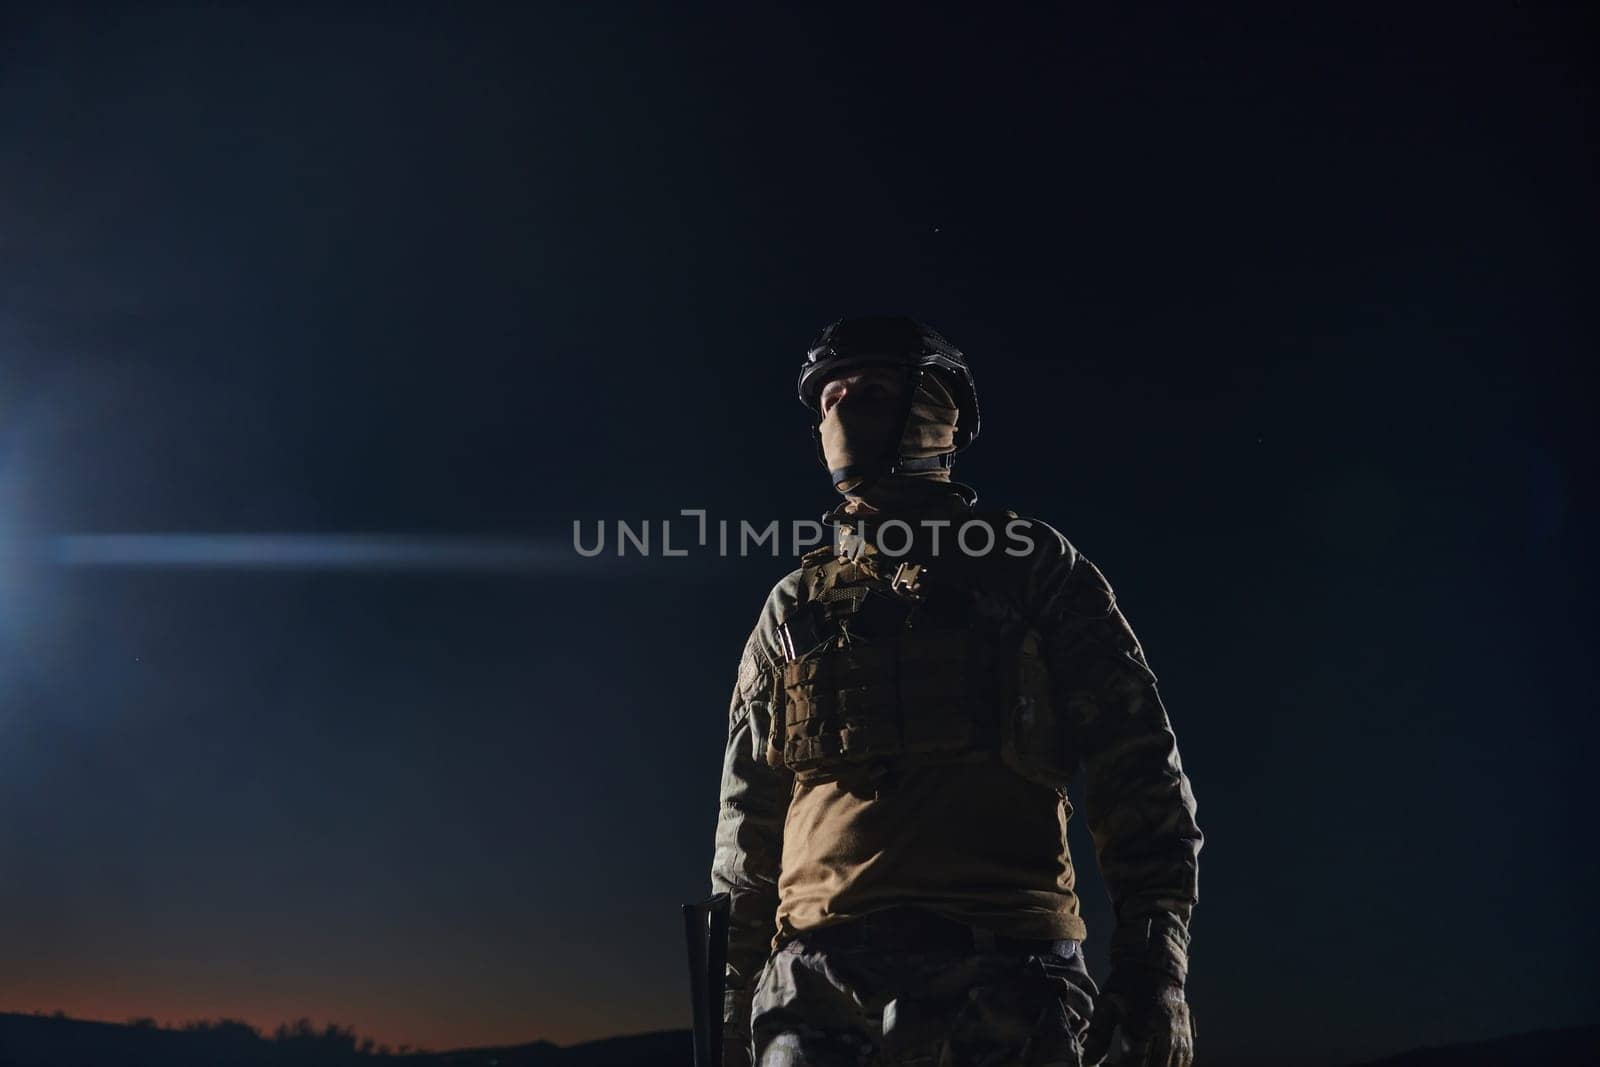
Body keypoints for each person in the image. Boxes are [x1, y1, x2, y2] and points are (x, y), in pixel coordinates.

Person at [711, 316, 1202, 1066]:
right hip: (814, 998)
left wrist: (1155, 969)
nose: (841, 414)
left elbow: (1142, 777)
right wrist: (730, 1009)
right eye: (829, 399)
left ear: (936, 414)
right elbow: (747, 832)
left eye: (870, 391)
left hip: (1004, 980)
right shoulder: (791, 607)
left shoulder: (1029, 566)